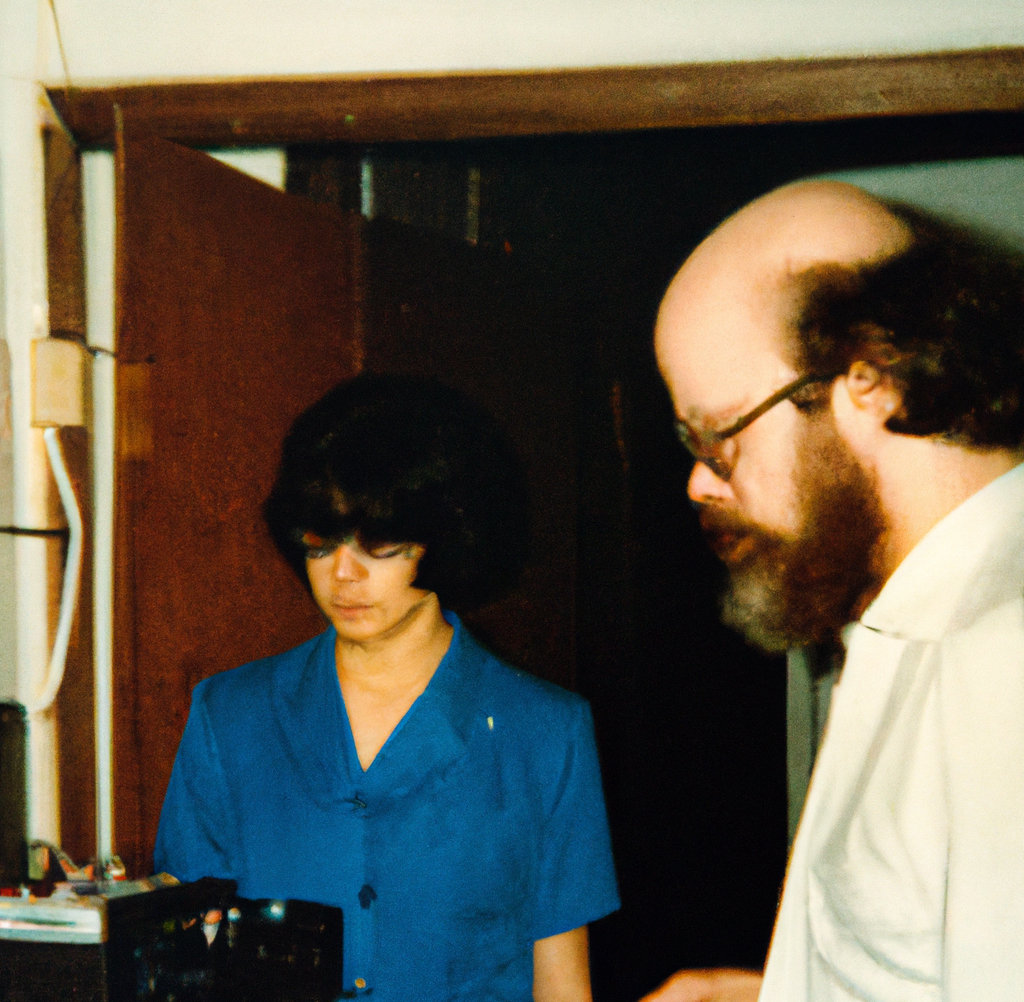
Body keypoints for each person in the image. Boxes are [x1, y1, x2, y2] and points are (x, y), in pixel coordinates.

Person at [642, 179, 1024, 1001]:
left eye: (717, 439)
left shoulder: (1004, 657)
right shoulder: (920, 621)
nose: (699, 485)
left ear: (871, 380)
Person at [154, 372, 619, 1002]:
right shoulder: (229, 717)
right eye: (321, 542)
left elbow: (563, 987)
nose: (343, 573)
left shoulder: (546, 732)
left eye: (378, 542)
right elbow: (181, 965)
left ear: (445, 534)